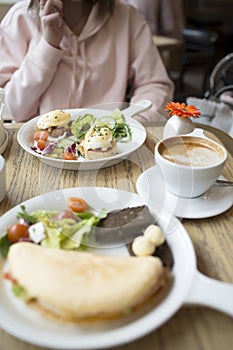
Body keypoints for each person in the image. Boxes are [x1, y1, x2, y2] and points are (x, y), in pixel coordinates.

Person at [0, 0, 174, 123]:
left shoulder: (127, 18)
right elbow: (12, 108)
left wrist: (134, 122)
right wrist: (48, 46)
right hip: (36, 149)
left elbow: (155, 86)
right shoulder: (20, 18)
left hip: (110, 150)